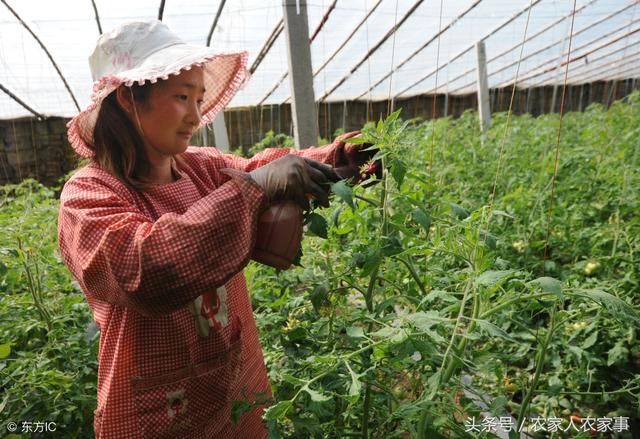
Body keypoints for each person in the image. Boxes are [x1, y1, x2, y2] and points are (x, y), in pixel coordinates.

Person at [57, 21, 376, 438]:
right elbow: (145, 271)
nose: (195, 115)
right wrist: (252, 190)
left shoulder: (200, 167)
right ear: (129, 98)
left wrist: (343, 158)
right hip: (159, 410)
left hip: (234, 386)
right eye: (181, 97)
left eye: (199, 98)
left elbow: (268, 167)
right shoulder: (88, 194)